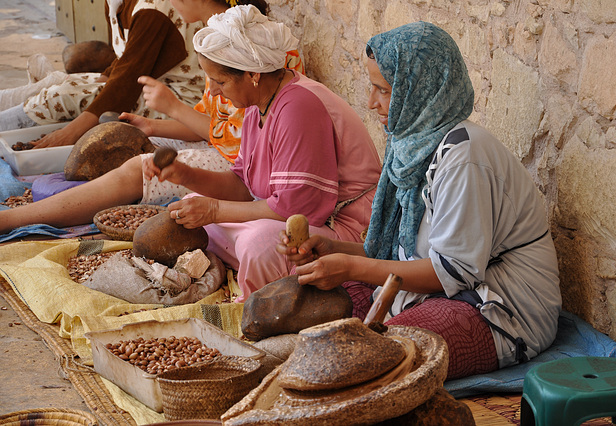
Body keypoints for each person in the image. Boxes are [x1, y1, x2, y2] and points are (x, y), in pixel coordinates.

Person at [0, 5, 382, 304]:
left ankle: (262, 305)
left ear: (251, 75)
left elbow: (296, 213)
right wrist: (184, 175)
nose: (213, 93)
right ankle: (235, 274)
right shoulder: (260, 103)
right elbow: (242, 185)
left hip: (342, 228)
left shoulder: (299, 106)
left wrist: (214, 211)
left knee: (257, 243)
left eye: (218, 81)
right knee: (192, 206)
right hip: (291, 213)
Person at [277, 22, 562, 380]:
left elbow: (451, 273)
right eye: (373, 88)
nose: (372, 103)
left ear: (419, 90)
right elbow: (396, 253)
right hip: (424, 292)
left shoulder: (465, 157)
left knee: (371, 360)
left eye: (383, 90)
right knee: (294, 306)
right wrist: (333, 250)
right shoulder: (409, 145)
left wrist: (349, 268)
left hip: (497, 310)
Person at [0, 0, 209, 147]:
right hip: (151, 86)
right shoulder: (116, 3)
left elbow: (127, 81)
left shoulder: (152, 10)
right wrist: (90, 85)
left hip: (183, 102)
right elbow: (124, 59)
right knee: (66, 84)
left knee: (63, 96)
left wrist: (69, 133)